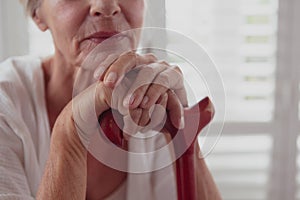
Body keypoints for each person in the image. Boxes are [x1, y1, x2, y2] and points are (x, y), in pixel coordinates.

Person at [0, 0, 221, 199]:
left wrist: (183, 134)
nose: (106, 6)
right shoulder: (6, 102)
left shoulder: (152, 102)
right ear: (38, 13)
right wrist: (70, 132)